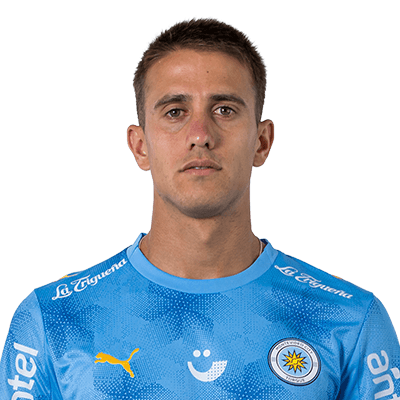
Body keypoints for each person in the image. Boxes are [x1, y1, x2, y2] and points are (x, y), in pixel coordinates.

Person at [1, 17, 399, 400]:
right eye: (175, 111)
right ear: (140, 146)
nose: (200, 135)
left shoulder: (349, 320)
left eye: (224, 109)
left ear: (262, 142)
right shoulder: (53, 320)